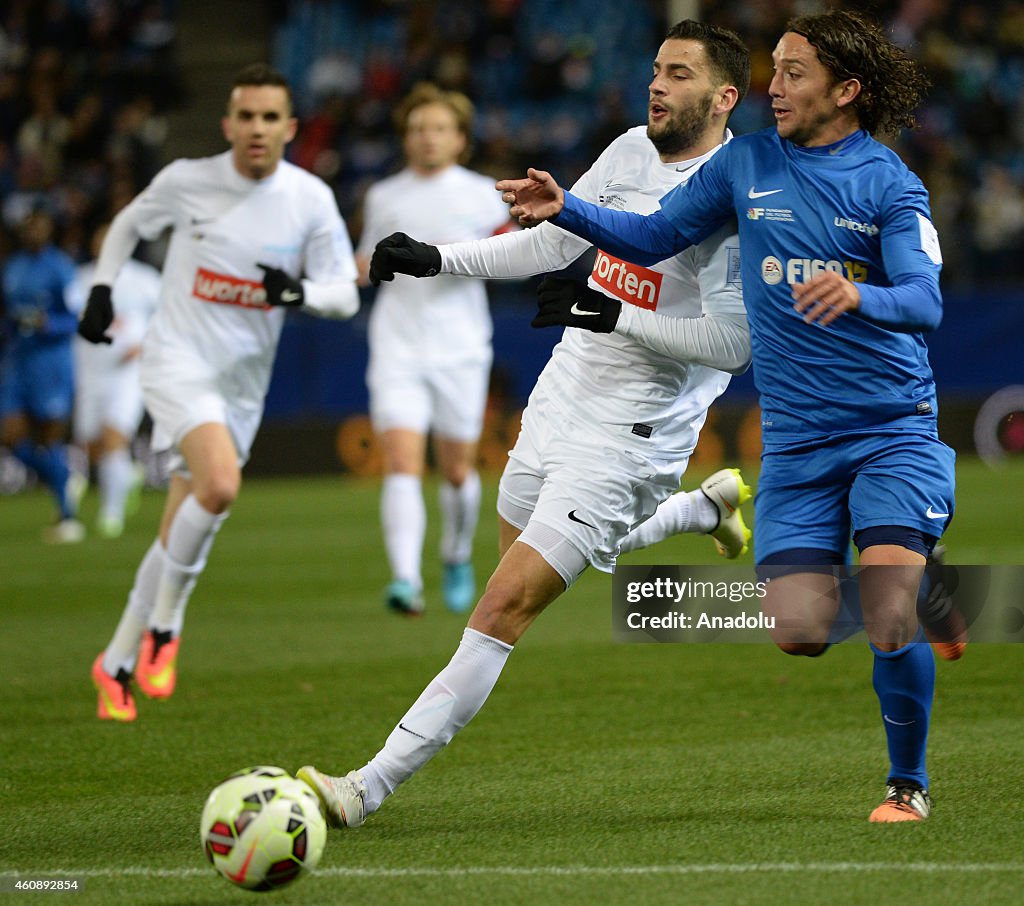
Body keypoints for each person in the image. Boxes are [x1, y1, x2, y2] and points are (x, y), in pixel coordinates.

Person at [496, 9, 956, 823]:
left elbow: (924, 300)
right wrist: (566, 208)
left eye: (794, 73)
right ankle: (918, 582)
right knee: (798, 630)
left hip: (891, 427)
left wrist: (861, 293)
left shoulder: (888, 183)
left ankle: (906, 785)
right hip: (797, 443)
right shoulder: (746, 163)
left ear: (846, 91)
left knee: (885, 608)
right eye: (774, 69)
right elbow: (650, 236)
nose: (773, 88)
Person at [297, 19, 753, 830]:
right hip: (562, 390)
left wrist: (613, 318)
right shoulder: (626, 150)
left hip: (634, 432)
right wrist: (441, 258)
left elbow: (733, 345)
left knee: (503, 606)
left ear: (725, 97)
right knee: (530, 548)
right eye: (655, 68)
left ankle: (365, 788)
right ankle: (699, 510)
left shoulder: (739, 193)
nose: (656, 84)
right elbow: (551, 244)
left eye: (678, 74)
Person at [79, 64, 361, 722]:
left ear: (290, 128)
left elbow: (344, 293)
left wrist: (298, 294)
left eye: (270, 118)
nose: (257, 129)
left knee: (185, 520)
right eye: (246, 116)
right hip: (177, 361)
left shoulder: (309, 199)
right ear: (227, 124)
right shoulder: (187, 181)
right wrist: (102, 287)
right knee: (222, 486)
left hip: (242, 384)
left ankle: (116, 660)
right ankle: (168, 625)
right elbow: (127, 223)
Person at [355, 83, 516, 617]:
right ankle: (404, 580)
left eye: (440, 128)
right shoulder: (383, 196)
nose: (428, 138)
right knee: (400, 463)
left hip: (460, 348)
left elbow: (506, 255)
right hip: (397, 345)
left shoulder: (482, 193)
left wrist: (440, 258)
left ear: (460, 139)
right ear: (405, 136)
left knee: (455, 470)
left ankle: (453, 555)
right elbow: (364, 264)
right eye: (419, 128)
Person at [0, 207, 86, 543]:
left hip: (51, 364)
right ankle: (61, 477)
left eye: (38, 226)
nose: (32, 232)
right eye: (27, 227)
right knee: (11, 436)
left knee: (48, 438)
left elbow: (76, 319)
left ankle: (67, 515)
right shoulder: (13, 267)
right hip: (19, 363)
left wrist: (47, 323)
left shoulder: (62, 270)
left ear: (48, 230)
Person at [72, 222, 160, 539]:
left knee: (114, 437)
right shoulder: (80, 279)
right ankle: (128, 475)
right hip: (90, 372)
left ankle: (112, 515)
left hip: (126, 373)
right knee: (94, 446)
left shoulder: (145, 280)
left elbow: (169, 318)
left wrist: (144, 343)